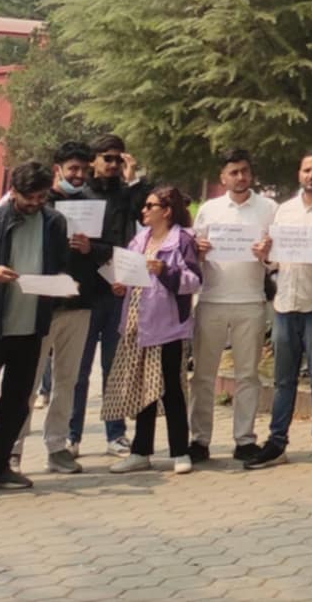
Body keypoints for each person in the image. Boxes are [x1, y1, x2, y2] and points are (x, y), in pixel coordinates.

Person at [0, 161, 82, 503]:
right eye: (28, 197)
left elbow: (61, 265)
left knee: (17, 403)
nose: (35, 203)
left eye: (41, 197)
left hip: (31, 327)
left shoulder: (54, 222)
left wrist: (62, 285)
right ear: (13, 192)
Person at [244, 152, 312, 472]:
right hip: (285, 304)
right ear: (299, 173)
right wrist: (265, 255)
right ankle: (277, 443)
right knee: (283, 380)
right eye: (307, 170)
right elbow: (275, 259)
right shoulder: (285, 210)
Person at [104, 186, 203, 475]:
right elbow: (128, 275)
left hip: (167, 326)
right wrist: (120, 285)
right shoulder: (139, 239)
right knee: (140, 390)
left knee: (171, 389)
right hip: (137, 324)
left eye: (150, 206)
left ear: (167, 211)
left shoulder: (182, 240)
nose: (144, 211)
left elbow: (194, 281)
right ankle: (140, 451)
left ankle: (180, 451)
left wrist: (165, 271)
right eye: (145, 206)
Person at [190, 149, 277, 465]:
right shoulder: (209, 210)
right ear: (223, 177)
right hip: (211, 300)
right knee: (203, 375)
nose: (240, 177)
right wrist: (198, 251)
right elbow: (192, 255)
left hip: (251, 301)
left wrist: (267, 253)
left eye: (245, 171)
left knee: (247, 375)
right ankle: (199, 440)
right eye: (234, 172)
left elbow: (278, 258)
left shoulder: (269, 208)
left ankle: (245, 440)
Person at [65, 136, 148, 460]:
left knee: (114, 369)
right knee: (78, 370)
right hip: (84, 295)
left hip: (117, 291)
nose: (113, 164)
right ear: (94, 161)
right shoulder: (78, 198)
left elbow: (141, 225)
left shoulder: (127, 195)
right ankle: (71, 435)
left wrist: (133, 176)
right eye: (107, 158)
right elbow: (74, 247)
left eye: (118, 159)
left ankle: (116, 434)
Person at [28, 141, 102, 476]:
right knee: (28, 381)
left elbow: (108, 248)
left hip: (79, 304)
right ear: (57, 168)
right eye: (73, 168)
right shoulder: (38, 203)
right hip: (40, 305)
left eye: (84, 169)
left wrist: (90, 249)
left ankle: (57, 447)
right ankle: (12, 449)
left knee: (67, 380)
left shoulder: (92, 205)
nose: (79, 175)